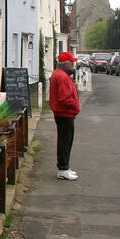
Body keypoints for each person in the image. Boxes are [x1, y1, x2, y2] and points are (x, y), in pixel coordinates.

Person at [50, 51, 80, 179]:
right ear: (66, 63)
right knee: (65, 141)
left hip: (63, 112)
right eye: (71, 62)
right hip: (65, 113)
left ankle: (65, 167)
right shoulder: (62, 77)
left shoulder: (59, 74)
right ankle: (63, 169)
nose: (73, 65)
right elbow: (64, 97)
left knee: (65, 140)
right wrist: (75, 105)